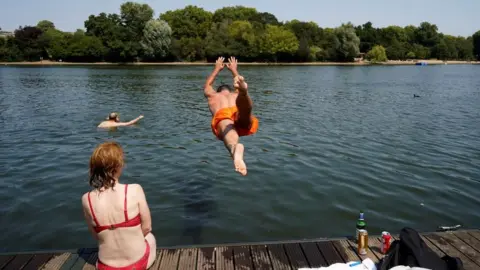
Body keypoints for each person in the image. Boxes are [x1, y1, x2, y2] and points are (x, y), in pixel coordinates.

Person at [81, 142, 156, 270]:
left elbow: (95, 235)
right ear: (118, 166)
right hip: (137, 265)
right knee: (150, 237)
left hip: (106, 267)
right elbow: (147, 227)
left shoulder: (86, 199)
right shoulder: (134, 190)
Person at [204, 56, 259, 176]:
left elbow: (208, 85)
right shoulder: (235, 94)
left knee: (226, 127)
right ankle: (244, 93)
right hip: (237, 111)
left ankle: (234, 149)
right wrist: (234, 70)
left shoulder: (213, 96)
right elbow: (237, 82)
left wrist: (217, 69)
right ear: (230, 90)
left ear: (218, 91)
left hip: (223, 115)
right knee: (245, 111)